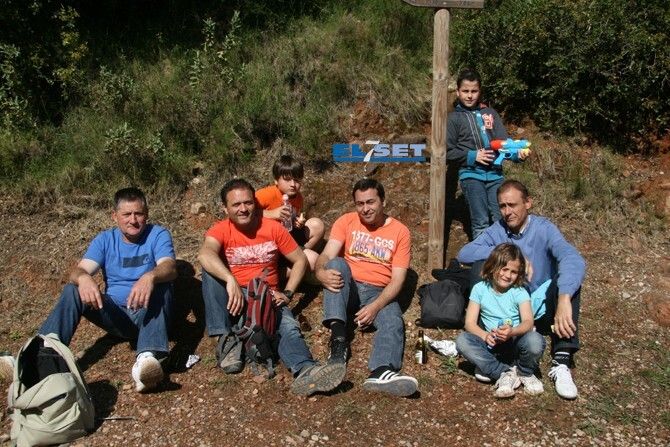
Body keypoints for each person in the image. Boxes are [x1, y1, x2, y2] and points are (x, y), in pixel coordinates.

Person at [198, 178, 345, 396]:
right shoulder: (220, 229)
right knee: (209, 270)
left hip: (266, 296)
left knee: (288, 326)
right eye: (236, 204)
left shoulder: (272, 228)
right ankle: (226, 338)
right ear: (225, 209)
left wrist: (288, 293)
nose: (243, 209)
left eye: (248, 203)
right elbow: (205, 253)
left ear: (255, 204)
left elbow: (300, 260)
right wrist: (230, 279)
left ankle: (306, 370)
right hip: (235, 297)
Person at [38, 187, 177, 392]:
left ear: (146, 214)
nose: (133, 220)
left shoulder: (158, 234)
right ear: (115, 216)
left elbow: (170, 267)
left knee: (162, 283)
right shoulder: (105, 240)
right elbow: (78, 271)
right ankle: (44, 353)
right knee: (73, 289)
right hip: (116, 315)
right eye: (126, 214)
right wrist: (83, 278)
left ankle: (148, 360)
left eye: (138, 214)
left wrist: (150, 276)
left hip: (149, 314)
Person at [457, 179, 586, 399]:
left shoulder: (544, 229)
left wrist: (564, 298)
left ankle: (562, 359)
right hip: (505, 310)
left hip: (539, 304)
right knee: (480, 264)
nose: (507, 212)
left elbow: (572, 257)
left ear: (527, 203)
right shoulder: (498, 230)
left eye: (512, 205)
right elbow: (464, 253)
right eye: (502, 206)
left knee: (568, 281)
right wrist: (509, 252)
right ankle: (488, 339)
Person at [315, 178, 418, 397]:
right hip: (349, 286)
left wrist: (375, 307)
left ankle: (381, 371)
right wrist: (320, 272)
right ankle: (338, 341)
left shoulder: (400, 232)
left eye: (370, 202)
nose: (365, 209)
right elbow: (326, 255)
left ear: (383, 201)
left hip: (378, 292)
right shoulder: (346, 221)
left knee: (393, 320)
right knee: (335, 264)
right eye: (360, 204)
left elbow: (398, 280)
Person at [447, 68, 529, 239]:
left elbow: (504, 144)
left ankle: (504, 253)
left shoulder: (490, 113)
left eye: (474, 91)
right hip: (471, 175)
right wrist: (472, 156)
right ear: (458, 92)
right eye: (465, 91)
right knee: (481, 221)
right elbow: (447, 152)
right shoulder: (453, 118)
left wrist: (517, 155)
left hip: (495, 175)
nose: (470, 96)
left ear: (480, 91)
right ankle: (483, 255)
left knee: (502, 218)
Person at [456, 243, 546, 398]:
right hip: (491, 344)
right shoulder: (479, 289)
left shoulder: (519, 292)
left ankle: (525, 372)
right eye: (504, 269)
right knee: (462, 340)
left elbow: (528, 322)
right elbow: (469, 323)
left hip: (514, 342)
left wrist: (512, 332)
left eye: (513, 272)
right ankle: (503, 373)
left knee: (535, 340)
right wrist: (485, 335)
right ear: (492, 267)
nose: (507, 275)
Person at [255, 155, 325, 269]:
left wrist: (297, 222)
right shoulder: (265, 194)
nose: (293, 184)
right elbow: (246, 214)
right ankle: (288, 268)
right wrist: (272, 214)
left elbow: (293, 218)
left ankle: (297, 259)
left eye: (297, 180)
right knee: (314, 260)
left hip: (289, 235)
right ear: (276, 180)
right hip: (270, 242)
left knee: (317, 225)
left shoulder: (298, 197)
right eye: (287, 179)